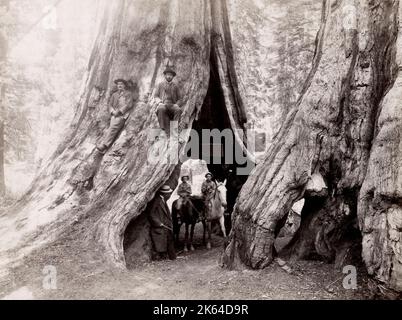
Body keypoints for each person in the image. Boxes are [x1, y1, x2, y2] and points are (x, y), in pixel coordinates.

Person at [96, 78, 136, 153]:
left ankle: (104, 145)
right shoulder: (114, 94)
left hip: (122, 115)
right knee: (112, 126)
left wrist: (120, 111)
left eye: (121, 84)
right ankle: (105, 146)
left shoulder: (128, 94)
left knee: (114, 126)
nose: (119, 85)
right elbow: (110, 104)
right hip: (114, 114)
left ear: (124, 85)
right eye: (118, 84)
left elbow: (129, 104)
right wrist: (112, 111)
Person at [148, 184, 176, 260]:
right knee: (160, 242)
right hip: (160, 226)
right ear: (164, 194)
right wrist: (158, 223)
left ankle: (172, 257)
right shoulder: (156, 201)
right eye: (169, 193)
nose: (170, 195)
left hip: (166, 225)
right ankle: (161, 257)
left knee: (169, 239)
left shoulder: (164, 200)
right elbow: (151, 213)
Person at [154, 65, 182, 137]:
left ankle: (174, 129)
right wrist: (159, 102)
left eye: (171, 75)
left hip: (172, 105)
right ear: (165, 75)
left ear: (173, 77)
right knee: (161, 109)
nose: (169, 76)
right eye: (168, 75)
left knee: (178, 110)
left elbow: (180, 98)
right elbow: (156, 96)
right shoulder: (160, 85)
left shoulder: (176, 86)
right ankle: (162, 128)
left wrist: (177, 104)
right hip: (163, 104)